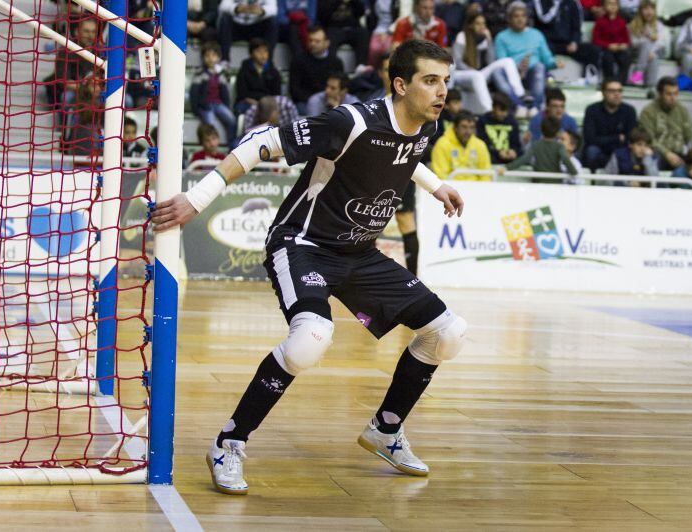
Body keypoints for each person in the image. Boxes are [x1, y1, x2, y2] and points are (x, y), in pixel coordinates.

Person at [151, 39, 466, 495]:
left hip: (359, 253)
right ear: (400, 84)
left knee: (448, 332)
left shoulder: (425, 125)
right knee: (311, 338)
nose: (442, 92)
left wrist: (436, 185)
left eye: (446, 82)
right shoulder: (350, 121)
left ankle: (386, 428)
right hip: (303, 244)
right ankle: (229, 442)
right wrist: (197, 198)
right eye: (431, 80)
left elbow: (403, 153)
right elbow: (263, 141)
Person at [452, 12, 526, 115]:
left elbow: (491, 62)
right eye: (478, 23)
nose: (481, 27)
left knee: (508, 61)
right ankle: (489, 110)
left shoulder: (484, 38)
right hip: (460, 74)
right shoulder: (462, 36)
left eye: (483, 24)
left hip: (478, 74)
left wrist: (489, 40)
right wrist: (472, 71)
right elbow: (457, 61)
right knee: (477, 75)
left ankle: (520, 94)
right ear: (470, 25)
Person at [495, 2, 563, 113]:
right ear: (509, 19)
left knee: (539, 67)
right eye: (516, 16)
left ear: (527, 18)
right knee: (497, 72)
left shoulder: (537, 34)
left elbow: (547, 59)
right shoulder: (501, 37)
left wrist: (555, 63)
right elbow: (502, 61)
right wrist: (517, 67)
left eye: (523, 16)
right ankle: (518, 105)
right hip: (511, 74)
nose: (520, 19)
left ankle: (534, 107)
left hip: (533, 73)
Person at [638, 76, 692, 169]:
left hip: (679, 154)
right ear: (660, 94)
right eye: (669, 94)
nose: (673, 98)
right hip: (657, 154)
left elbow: (691, 134)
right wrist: (667, 154)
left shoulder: (682, 110)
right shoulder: (648, 112)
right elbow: (649, 140)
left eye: (676, 94)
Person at [582, 78, 637, 171]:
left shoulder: (629, 111)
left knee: (629, 152)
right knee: (591, 151)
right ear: (603, 93)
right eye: (612, 91)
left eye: (619, 91)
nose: (617, 94)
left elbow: (630, 138)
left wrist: (605, 140)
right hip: (599, 150)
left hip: (620, 150)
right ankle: (593, 181)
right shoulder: (592, 110)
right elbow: (590, 139)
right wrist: (617, 138)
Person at [190, 42, 237, 147]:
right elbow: (194, 93)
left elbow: (225, 92)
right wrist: (196, 109)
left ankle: (232, 145)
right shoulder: (200, 73)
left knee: (232, 120)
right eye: (207, 55)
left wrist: (227, 106)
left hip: (218, 104)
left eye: (214, 55)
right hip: (205, 106)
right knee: (210, 126)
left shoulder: (221, 74)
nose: (211, 58)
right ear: (203, 58)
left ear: (219, 57)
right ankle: (211, 147)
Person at [289, 26, 346, 112]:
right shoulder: (298, 60)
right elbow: (294, 89)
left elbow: (341, 86)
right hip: (305, 102)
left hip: (330, 100)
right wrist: (315, 101)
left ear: (327, 43)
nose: (313, 44)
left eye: (317, 41)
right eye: (310, 40)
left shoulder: (336, 62)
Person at [532, 0, 601, 69]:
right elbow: (544, 20)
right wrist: (556, 5)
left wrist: (574, 42)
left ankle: (589, 76)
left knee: (593, 50)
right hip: (548, 43)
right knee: (542, 50)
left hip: (567, 44)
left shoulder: (573, 2)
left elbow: (576, 27)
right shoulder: (540, 2)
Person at [431, 110, 493, 180]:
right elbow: (441, 175)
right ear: (455, 127)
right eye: (464, 127)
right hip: (451, 188)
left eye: (471, 127)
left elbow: (486, 174)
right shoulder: (442, 144)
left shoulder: (480, 145)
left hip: (477, 188)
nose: (468, 132)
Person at [507, 116, 578, 176]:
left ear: (541, 129)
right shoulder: (559, 146)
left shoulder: (535, 145)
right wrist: (573, 171)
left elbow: (525, 158)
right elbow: (565, 159)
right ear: (557, 132)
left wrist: (507, 167)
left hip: (538, 181)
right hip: (555, 182)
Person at [234, 38, 282, 116]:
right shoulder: (244, 70)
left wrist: (265, 104)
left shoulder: (273, 71)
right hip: (248, 102)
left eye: (265, 51)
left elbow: (277, 94)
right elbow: (242, 94)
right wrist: (257, 104)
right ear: (251, 53)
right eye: (258, 51)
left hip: (268, 104)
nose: (263, 55)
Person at [627, 0, 668, 87]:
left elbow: (662, 43)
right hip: (637, 52)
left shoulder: (659, 25)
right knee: (646, 45)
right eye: (645, 9)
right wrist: (647, 41)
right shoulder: (633, 25)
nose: (649, 12)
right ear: (640, 10)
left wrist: (651, 52)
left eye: (651, 9)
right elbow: (632, 42)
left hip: (656, 52)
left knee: (653, 56)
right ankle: (651, 85)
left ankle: (638, 76)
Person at [317, 0, 370, 67]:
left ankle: (361, 67)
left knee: (363, 34)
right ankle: (331, 68)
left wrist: (353, 2)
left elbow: (361, 12)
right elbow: (323, 16)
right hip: (334, 28)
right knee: (330, 39)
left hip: (352, 27)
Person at [592, 0, 631, 85]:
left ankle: (621, 82)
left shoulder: (621, 22)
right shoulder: (600, 21)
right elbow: (596, 39)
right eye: (609, 4)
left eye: (615, 4)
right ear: (604, 6)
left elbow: (626, 39)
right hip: (606, 49)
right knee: (607, 58)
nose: (612, 6)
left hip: (619, 49)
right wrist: (607, 45)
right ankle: (609, 81)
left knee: (626, 57)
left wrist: (624, 45)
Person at [477, 92, 522, 164]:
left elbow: (517, 145)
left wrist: (514, 151)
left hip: (509, 161)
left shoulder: (512, 122)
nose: (504, 114)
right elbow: (481, 144)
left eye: (506, 110)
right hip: (489, 158)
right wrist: (498, 153)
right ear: (493, 107)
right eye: (501, 110)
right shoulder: (482, 121)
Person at [366, 0, 399, 66]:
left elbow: (400, 18)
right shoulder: (375, 2)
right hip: (379, 29)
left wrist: (388, 32)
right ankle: (374, 70)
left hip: (394, 29)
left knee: (387, 48)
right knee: (374, 48)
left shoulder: (399, 2)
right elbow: (372, 19)